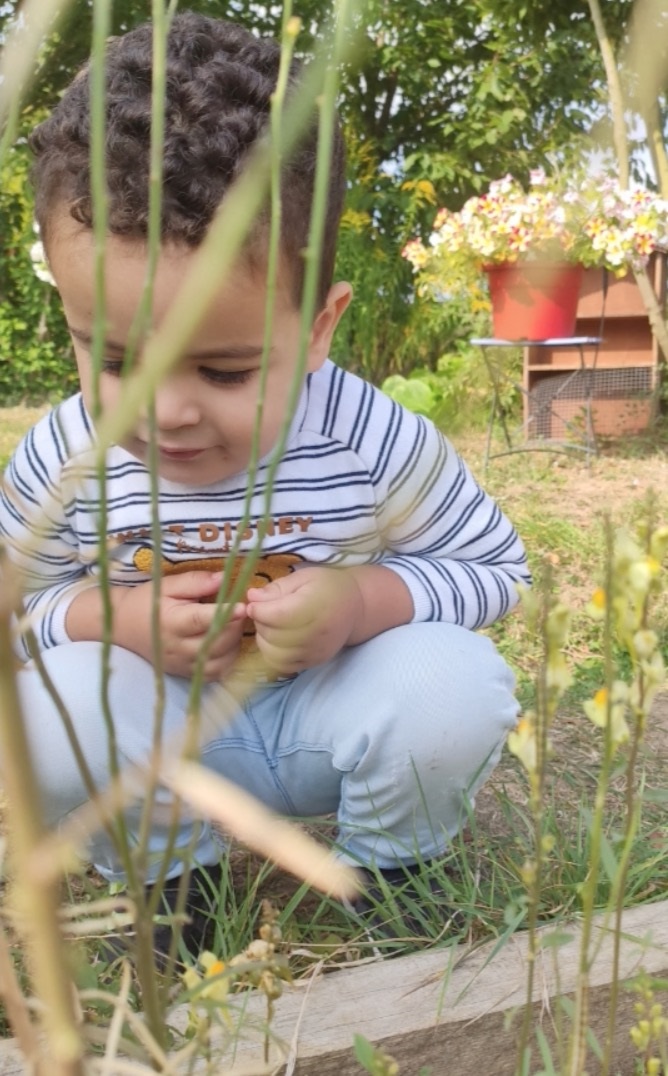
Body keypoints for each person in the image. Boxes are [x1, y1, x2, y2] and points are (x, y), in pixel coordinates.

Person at [0, 12, 530, 958]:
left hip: (325, 722)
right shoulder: (66, 458)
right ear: (69, 313)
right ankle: (172, 895)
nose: (166, 415)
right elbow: (19, 603)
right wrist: (100, 618)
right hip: (155, 747)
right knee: (41, 712)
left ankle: (395, 877)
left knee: (452, 685)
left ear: (320, 327)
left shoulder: (368, 437)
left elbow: (495, 569)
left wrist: (364, 598)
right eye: (115, 357)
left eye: (226, 372)